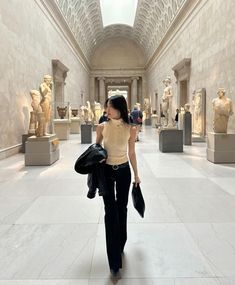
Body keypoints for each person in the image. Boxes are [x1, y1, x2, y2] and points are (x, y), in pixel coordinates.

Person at [96, 95, 141, 277]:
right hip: (106, 172)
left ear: (120, 109)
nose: (107, 110)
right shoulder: (101, 126)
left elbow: (131, 152)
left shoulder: (131, 129)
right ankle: (114, 260)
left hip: (123, 171)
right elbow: (96, 147)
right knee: (110, 211)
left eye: (110, 108)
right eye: (107, 107)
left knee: (122, 208)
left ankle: (121, 241)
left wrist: (137, 175)